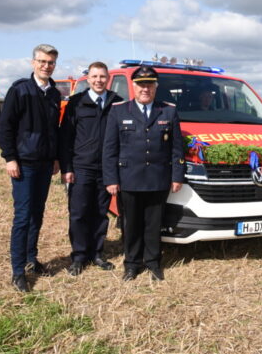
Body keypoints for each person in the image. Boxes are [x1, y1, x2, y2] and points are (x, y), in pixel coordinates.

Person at [103, 65, 185, 281]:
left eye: (149, 84)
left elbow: (177, 148)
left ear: (155, 87)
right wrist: (111, 179)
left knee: (154, 224)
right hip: (128, 179)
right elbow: (110, 149)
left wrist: (177, 176)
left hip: (158, 179)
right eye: (141, 84)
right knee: (131, 225)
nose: (145, 89)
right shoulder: (119, 111)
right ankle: (131, 264)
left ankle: (153, 263)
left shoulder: (167, 111)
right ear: (134, 86)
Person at [0, 44, 61, 292]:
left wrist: (56, 157)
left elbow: (54, 130)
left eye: (51, 62)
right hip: (24, 164)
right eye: (43, 61)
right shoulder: (20, 90)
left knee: (37, 214)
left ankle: (31, 259)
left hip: (46, 164)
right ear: (33, 62)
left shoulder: (54, 93)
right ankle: (17, 272)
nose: (47, 66)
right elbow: (5, 127)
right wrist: (10, 158)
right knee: (23, 217)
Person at [59, 62, 123, 276]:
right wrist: (67, 167)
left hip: (106, 169)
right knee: (78, 213)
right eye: (94, 76)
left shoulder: (116, 103)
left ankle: (96, 253)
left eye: (102, 77)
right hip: (81, 167)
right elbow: (66, 137)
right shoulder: (77, 103)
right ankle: (78, 256)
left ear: (107, 79)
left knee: (100, 213)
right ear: (88, 78)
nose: (98, 80)